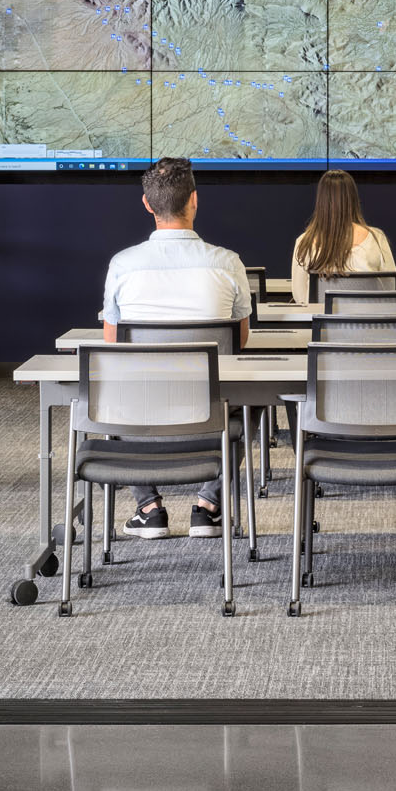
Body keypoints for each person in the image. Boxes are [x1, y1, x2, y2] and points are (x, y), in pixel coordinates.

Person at [99, 156, 250, 540]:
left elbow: (112, 343)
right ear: (194, 201)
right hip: (209, 419)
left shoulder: (123, 264)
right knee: (255, 404)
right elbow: (239, 340)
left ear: (148, 204)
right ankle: (208, 507)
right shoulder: (228, 263)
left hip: (139, 421)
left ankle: (149, 509)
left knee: (107, 398)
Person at [290, 169, 396, 304]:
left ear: (321, 201)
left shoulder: (304, 242)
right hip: (370, 323)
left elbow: (300, 297)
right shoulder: (376, 238)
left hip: (324, 325)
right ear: (352, 199)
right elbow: (391, 289)